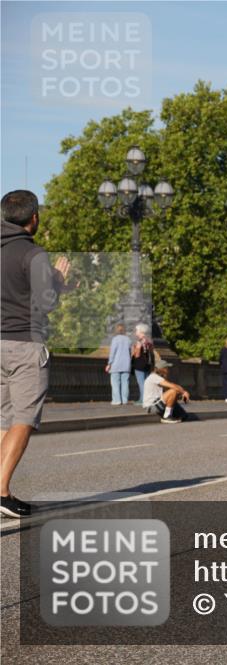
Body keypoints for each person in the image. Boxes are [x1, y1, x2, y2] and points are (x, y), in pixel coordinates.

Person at [1, 190, 72, 518]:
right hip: (25, 345)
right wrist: (57, 280)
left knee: (4, 419)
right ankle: (1, 492)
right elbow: (46, 303)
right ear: (34, 217)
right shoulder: (33, 254)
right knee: (24, 418)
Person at [143, 359, 190, 423]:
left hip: (157, 404)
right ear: (162, 369)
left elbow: (174, 386)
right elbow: (172, 386)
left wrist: (182, 393)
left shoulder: (158, 377)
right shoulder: (154, 377)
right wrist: (184, 392)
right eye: (167, 368)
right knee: (173, 391)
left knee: (176, 392)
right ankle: (167, 416)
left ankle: (177, 413)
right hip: (151, 407)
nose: (168, 370)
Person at [106, 323, 132, 405]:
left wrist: (109, 364)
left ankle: (117, 400)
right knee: (125, 383)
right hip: (126, 365)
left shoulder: (115, 339)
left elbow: (112, 353)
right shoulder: (128, 340)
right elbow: (131, 352)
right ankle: (124, 400)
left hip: (116, 364)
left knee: (115, 383)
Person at [131, 323, 155, 405]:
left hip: (139, 365)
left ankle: (143, 400)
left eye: (136, 330)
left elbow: (137, 355)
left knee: (141, 383)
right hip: (147, 365)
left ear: (141, 331)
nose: (136, 332)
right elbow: (151, 353)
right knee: (146, 383)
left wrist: (135, 349)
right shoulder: (149, 341)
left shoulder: (140, 341)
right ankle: (145, 399)